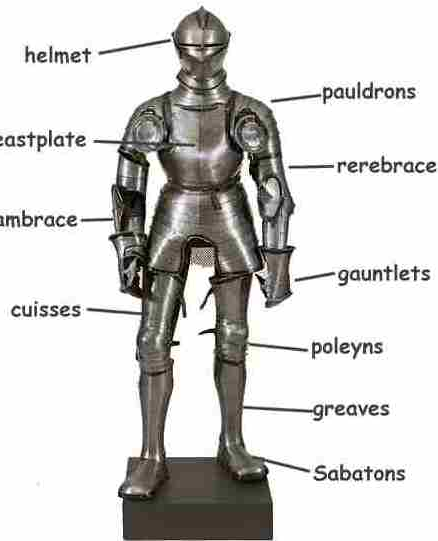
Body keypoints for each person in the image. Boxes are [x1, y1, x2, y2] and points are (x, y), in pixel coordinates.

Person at [110, 7, 295, 500]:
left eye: (211, 48)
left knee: (234, 337)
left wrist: (277, 260)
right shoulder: (154, 112)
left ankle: (232, 443)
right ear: (177, 47)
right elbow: (128, 186)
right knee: (152, 341)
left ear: (226, 47)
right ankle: (152, 455)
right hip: (172, 215)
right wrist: (129, 246)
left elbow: (272, 189)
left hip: (228, 213)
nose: (202, 57)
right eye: (195, 47)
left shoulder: (248, 112)